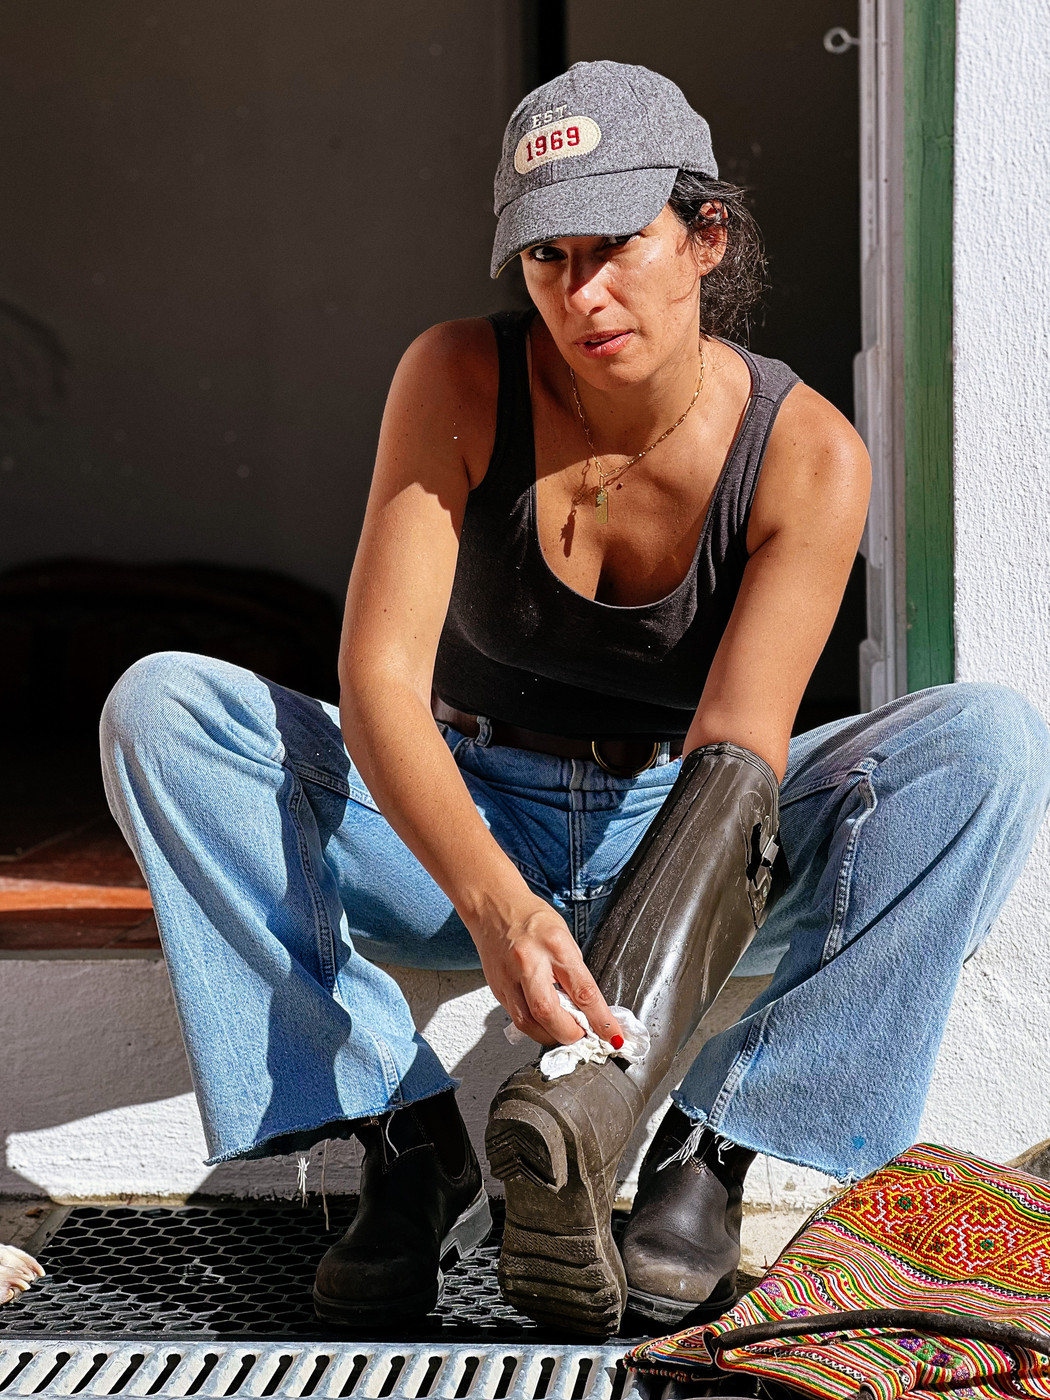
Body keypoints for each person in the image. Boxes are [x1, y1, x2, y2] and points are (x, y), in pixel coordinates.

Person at [100, 60, 1050, 1339]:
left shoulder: (807, 451)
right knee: (165, 708)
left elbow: (736, 767)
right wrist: (499, 906)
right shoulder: (457, 375)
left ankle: (706, 1160)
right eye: (549, 257)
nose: (583, 293)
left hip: (687, 820)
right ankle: (408, 1140)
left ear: (706, 237)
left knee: (987, 744)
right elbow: (377, 683)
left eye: (617, 246)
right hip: (460, 815)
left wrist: (606, 1088)